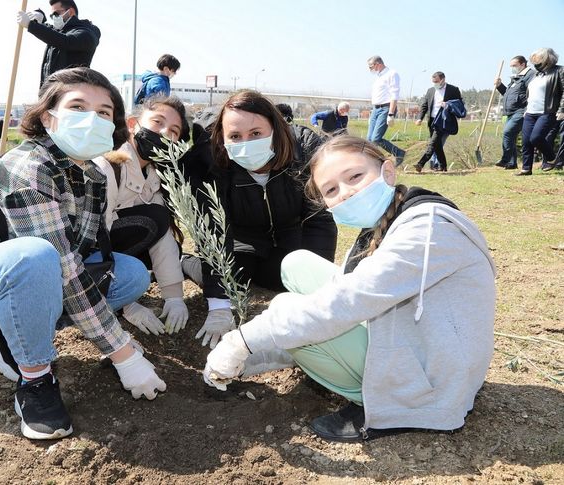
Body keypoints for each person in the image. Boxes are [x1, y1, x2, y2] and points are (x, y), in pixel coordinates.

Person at [0, 67, 166, 440]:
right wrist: (122, 352)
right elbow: (60, 264)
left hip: (21, 279)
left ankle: (3, 333)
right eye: (78, 107)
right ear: (48, 117)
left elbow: (77, 257)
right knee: (36, 257)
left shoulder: (91, 174)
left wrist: (116, 335)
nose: (92, 119)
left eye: (104, 112)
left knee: (130, 275)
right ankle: (36, 381)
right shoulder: (28, 166)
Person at [203, 135, 496, 443]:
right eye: (331, 190)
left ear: (388, 172)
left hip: (434, 381)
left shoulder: (428, 229)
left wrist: (241, 341)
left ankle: (387, 406)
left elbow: (346, 302)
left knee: (286, 309)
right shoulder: (389, 217)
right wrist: (260, 355)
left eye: (355, 176)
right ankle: (305, 351)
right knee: (296, 263)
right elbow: (347, 294)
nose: (345, 193)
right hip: (422, 342)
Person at [181, 90, 338, 349]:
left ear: (275, 128)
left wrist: (316, 289)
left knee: (288, 277)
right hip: (241, 237)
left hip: (290, 234)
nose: (246, 142)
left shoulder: (304, 148)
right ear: (222, 138)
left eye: (256, 133)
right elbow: (213, 230)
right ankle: (186, 263)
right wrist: (219, 305)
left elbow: (318, 219)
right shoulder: (211, 160)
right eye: (235, 136)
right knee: (236, 279)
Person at [93, 96, 190, 336]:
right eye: (158, 122)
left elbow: (163, 236)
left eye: (174, 131)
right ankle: (114, 292)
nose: (165, 132)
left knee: (162, 228)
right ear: (133, 124)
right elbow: (96, 237)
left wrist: (174, 297)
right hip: (90, 256)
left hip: (120, 245)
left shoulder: (154, 174)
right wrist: (128, 303)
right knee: (154, 218)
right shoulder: (109, 165)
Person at [17, 1, 100, 87]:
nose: (54, 18)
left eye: (56, 14)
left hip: (71, 92)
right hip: (51, 92)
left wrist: (31, 25)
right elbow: (52, 32)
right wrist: (40, 20)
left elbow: (65, 41)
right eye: (51, 16)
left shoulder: (87, 33)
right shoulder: (62, 32)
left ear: (71, 12)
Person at [518, 48, 564, 175]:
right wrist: (526, 109)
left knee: (536, 138)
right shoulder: (536, 75)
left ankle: (551, 158)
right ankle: (526, 168)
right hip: (530, 112)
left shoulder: (559, 71)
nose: (534, 63)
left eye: (537, 60)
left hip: (547, 112)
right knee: (526, 141)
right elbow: (531, 94)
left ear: (546, 59)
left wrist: (562, 109)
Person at [413, 72, 464, 173]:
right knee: (437, 145)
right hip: (432, 121)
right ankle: (443, 166)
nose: (435, 83)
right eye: (433, 82)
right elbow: (424, 106)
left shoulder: (453, 90)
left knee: (432, 143)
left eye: (436, 81)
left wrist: (448, 105)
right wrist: (419, 118)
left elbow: (459, 105)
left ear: (442, 79)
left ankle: (420, 164)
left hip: (443, 121)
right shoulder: (430, 90)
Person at [494, 56, 535, 170]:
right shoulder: (515, 77)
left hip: (521, 110)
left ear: (522, 64)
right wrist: (499, 86)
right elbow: (508, 94)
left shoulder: (530, 75)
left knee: (508, 132)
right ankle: (512, 163)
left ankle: (505, 159)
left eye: (514, 66)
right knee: (510, 136)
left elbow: (531, 92)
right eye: (511, 66)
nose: (512, 68)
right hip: (510, 112)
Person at [366, 56, 406, 165]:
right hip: (376, 109)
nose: (370, 69)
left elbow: (394, 95)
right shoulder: (379, 77)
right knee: (369, 139)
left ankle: (398, 153)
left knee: (375, 139)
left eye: (371, 67)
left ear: (377, 64)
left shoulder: (392, 74)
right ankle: (373, 162)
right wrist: (372, 113)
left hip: (386, 108)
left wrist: (391, 114)